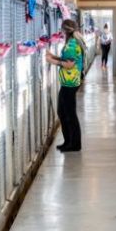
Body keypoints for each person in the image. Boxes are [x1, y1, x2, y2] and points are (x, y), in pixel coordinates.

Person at [46, 18, 85, 153]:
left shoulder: (72, 44)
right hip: (69, 82)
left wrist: (53, 61)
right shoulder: (72, 42)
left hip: (70, 83)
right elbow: (66, 59)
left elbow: (69, 64)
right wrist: (54, 57)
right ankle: (69, 141)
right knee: (63, 112)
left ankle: (74, 144)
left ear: (65, 30)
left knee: (68, 113)